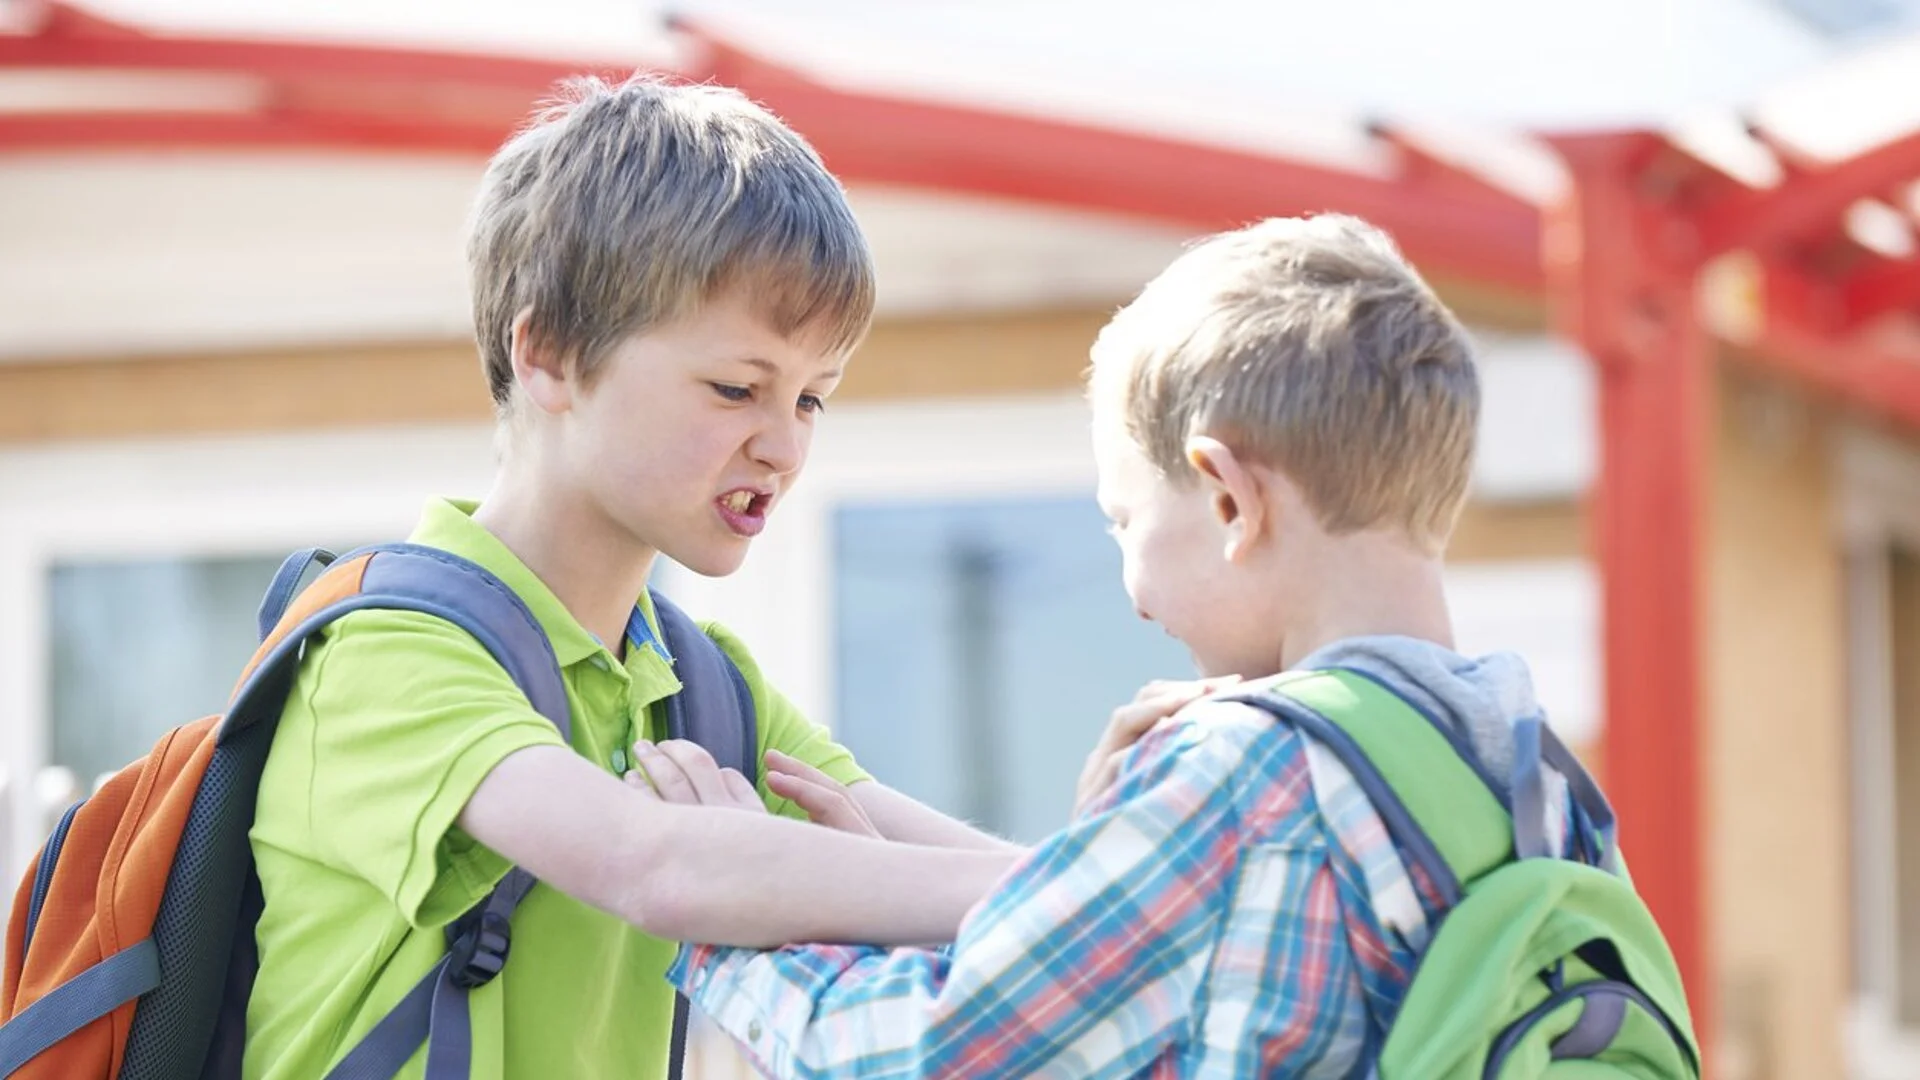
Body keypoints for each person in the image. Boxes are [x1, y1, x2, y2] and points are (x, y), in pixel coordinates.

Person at [240, 74, 1047, 1080]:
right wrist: (1088, 901)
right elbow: (652, 864)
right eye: (738, 389)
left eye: (813, 401)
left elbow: (943, 862)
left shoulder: (701, 687)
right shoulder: (384, 648)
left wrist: (1132, 892)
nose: (785, 447)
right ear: (551, 356)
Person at [663, 214, 1593, 1076]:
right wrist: (1086, 864)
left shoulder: (1249, 773)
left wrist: (732, 904)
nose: (1136, 597)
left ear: (1229, 499)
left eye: (1125, 523)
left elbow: (933, 1053)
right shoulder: (1536, 780)